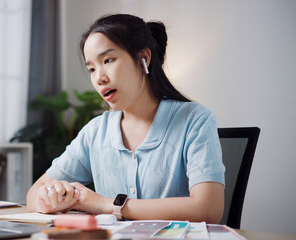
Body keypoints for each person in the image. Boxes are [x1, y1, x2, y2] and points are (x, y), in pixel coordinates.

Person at [26, 13, 225, 223]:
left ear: (143, 58)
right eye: (92, 69)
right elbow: (32, 196)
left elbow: (208, 208)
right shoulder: (96, 132)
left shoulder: (194, 120)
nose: (99, 78)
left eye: (108, 60)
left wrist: (106, 204)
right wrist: (50, 196)